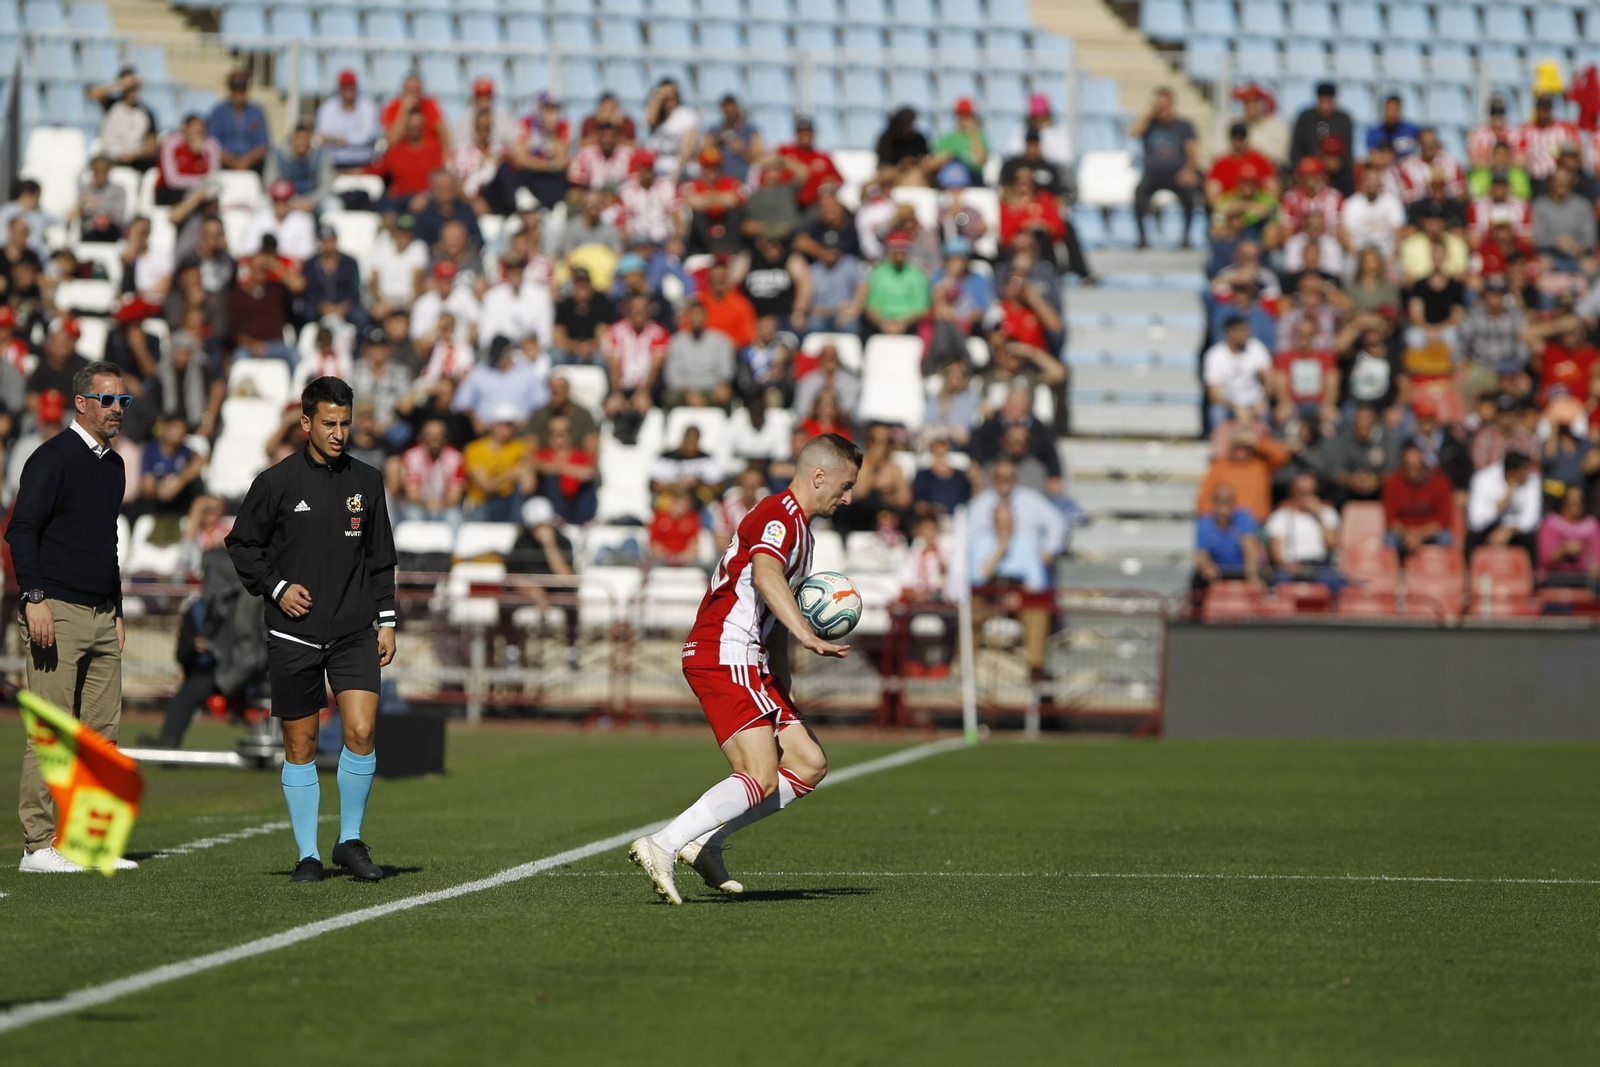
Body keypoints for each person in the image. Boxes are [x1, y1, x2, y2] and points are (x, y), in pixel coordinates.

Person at [629, 433, 861, 904]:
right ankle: (664, 844)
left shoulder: (803, 534)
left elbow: (773, 624)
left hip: (751, 658)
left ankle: (705, 843)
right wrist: (807, 632)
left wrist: (784, 690)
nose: (848, 498)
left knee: (808, 762)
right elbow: (765, 574)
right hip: (725, 649)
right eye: (846, 485)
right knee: (759, 772)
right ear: (819, 476)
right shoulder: (778, 514)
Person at [225, 377, 398, 884]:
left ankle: (350, 840)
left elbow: (381, 557)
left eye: (346, 423)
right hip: (292, 634)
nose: (339, 433)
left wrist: (387, 621)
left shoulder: (368, 481)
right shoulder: (275, 482)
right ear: (306, 423)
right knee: (300, 746)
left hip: (354, 630)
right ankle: (308, 855)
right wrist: (277, 587)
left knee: (361, 731)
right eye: (329, 424)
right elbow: (241, 545)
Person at [7, 362, 136, 874]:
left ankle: (87, 840)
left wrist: (117, 608)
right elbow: (21, 530)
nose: (117, 409)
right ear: (81, 403)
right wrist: (34, 597)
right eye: (108, 400)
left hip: (103, 613)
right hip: (55, 608)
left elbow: (108, 542)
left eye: (123, 401)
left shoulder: (115, 465)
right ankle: (37, 845)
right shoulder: (51, 458)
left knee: (102, 736)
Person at [1129, 88, 1199, 248]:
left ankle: (1186, 236)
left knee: (1190, 193)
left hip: (1177, 175)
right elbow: (1134, 133)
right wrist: (1150, 114)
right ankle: (1142, 237)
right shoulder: (1150, 125)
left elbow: (1192, 151)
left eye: (1165, 103)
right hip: (1152, 176)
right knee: (1139, 194)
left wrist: (1189, 171)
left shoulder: (1183, 125)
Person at [1264, 473, 1342, 581]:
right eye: (1301, 492)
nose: (1306, 497)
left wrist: (1319, 516)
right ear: (1292, 492)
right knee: (1280, 579)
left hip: (1320, 565)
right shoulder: (1280, 516)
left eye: (1310, 492)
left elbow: (1332, 545)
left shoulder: (1327, 512)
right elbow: (1277, 554)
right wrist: (1288, 566)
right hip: (1292, 564)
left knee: (1334, 580)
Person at [1382, 442, 1455, 555]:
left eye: (1417, 466)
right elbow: (1391, 520)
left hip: (1429, 533)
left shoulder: (1441, 482)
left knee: (1446, 538)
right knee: (1389, 540)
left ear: (1425, 465)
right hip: (1403, 534)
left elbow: (1442, 520)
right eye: (1409, 466)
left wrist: (1419, 535)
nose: (1413, 472)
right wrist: (1409, 535)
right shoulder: (1392, 483)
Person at [1466, 449, 1540, 558]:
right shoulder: (1483, 479)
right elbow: (1476, 521)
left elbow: (1531, 519)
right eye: (1524, 471)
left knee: (1530, 538)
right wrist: (1502, 504)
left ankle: (1531, 569)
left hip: (1514, 531)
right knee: (1473, 537)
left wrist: (1508, 530)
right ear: (1512, 472)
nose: (1528, 475)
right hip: (1487, 528)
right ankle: (1471, 567)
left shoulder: (1532, 480)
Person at [1203, 314, 1273, 429]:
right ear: (1229, 333)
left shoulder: (1255, 347)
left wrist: (1263, 400)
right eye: (1242, 331)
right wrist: (1236, 407)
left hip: (1254, 402)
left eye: (1246, 330)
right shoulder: (1215, 355)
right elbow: (1214, 394)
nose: (1247, 334)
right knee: (1217, 412)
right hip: (1229, 404)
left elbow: (1269, 376)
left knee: (1264, 411)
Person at [1193, 484, 1265, 592]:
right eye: (1219, 501)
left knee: (1265, 580)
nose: (1224, 507)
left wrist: (1252, 576)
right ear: (1213, 503)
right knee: (1197, 578)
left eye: (1227, 501)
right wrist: (1205, 565)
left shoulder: (1244, 518)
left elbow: (1249, 547)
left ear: (1233, 502)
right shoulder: (1204, 523)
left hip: (1243, 570)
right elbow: (1201, 554)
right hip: (1219, 571)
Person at [462, 408, 529, 522]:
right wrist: (512, 474)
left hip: (509, 501)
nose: (506, 429)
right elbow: (487, 486)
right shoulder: (474, 449)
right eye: (502, 424)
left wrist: (523, 471)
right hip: (482, 502)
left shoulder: (519, 447)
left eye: (510, 425)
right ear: (493, 424)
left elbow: (528, 486)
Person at [396, 417, 466, 525]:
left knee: (454, 516)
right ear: (422, 437)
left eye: (439, 434)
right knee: (413, 514)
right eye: (430, 434)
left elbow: (455, 495)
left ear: (446, 437)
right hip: (419, 504)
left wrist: (440, 504)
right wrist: (428, 504)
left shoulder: (456, 458)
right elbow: (411, 493)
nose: (434, 438)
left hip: (446, 505)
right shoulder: (411, 457)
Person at [87, 67, 158, 170]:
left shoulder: (147, 113)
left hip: (135, 160)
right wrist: (119, 84)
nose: (131, 91)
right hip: (110, 157)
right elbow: (92, 94)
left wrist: (134, 155)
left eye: (134, 87)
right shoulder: (112, 104)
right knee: (99, 164)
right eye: (129, 87)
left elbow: (151, 146)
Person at [315, 70, 382, 171]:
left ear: (356, 87)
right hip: (335, 163)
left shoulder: (368, 106)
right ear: (339, 88)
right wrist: (337, 139)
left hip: (364, 162)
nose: (348, 90)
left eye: (351, 86)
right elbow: (321, 136)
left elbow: (367, 136)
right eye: (345, 87)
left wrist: (337, 139)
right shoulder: (327, 108)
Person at [208, 70, 270, 173]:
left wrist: (246, 162)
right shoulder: (218, 112)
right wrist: (234, 163)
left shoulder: (257, 112)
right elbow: (212, 144)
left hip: (252, 167)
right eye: (235, 89)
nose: (238, 94)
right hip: (225, 167)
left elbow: (263, 145)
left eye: (242, 89)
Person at [1538, 486, 1600, 583]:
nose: (1575, 505)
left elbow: (1597, 561)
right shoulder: (1551, 522)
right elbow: (1544, 559)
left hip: (1584, 579)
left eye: (1579, 501)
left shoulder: (1591, 525)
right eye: (1570, 502)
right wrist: (1563, 549)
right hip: (1555, 578)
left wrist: (1585, 554)